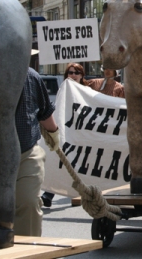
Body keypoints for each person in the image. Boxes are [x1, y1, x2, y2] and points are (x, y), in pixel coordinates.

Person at [15, 67, 60, 236]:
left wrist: (53, 133)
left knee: (28, 203)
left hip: (26, 153)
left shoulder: (31, 76)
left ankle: (29, 251)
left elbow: (44, 111)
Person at [41, 62, 89, 208]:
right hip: (66, 134)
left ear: (82, 76)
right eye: (70, 72)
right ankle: (48, 194)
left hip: (82, 136)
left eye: (76, 73)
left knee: (77, 166)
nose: (72, 75)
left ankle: (76, 193)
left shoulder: (88, 92)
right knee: (59, 162)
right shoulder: (63, 89)